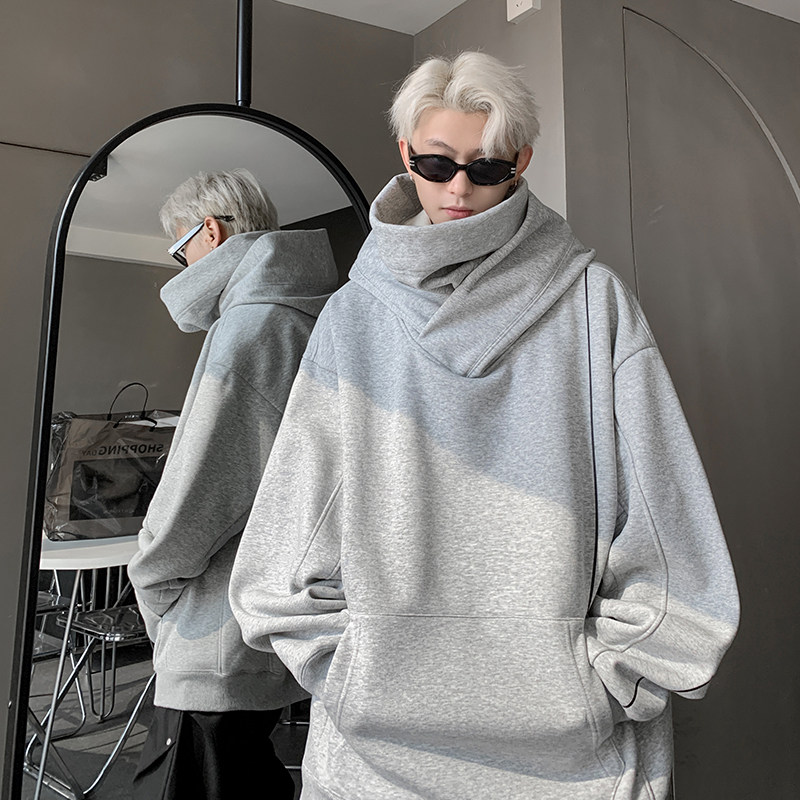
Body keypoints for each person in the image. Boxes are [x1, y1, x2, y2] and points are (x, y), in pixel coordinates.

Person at [228, 53, 740, 800]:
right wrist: (356, 673)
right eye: (436, 164)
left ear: (522, 163)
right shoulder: (352, 319)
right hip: (374, 769)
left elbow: (674, 541)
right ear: (405, 155)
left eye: (487, 166)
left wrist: (604, 685)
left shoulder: (594, 307)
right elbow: (280, 553)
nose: (459, 188)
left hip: (576, 772)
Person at [127, 168, 339, 799]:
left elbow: (204, 483)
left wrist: (151, 578)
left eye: (180, 250)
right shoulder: (306, 321)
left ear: (210, 232)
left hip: (213, 626)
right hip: (262, 606)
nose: (182, 266)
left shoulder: (253, 328)